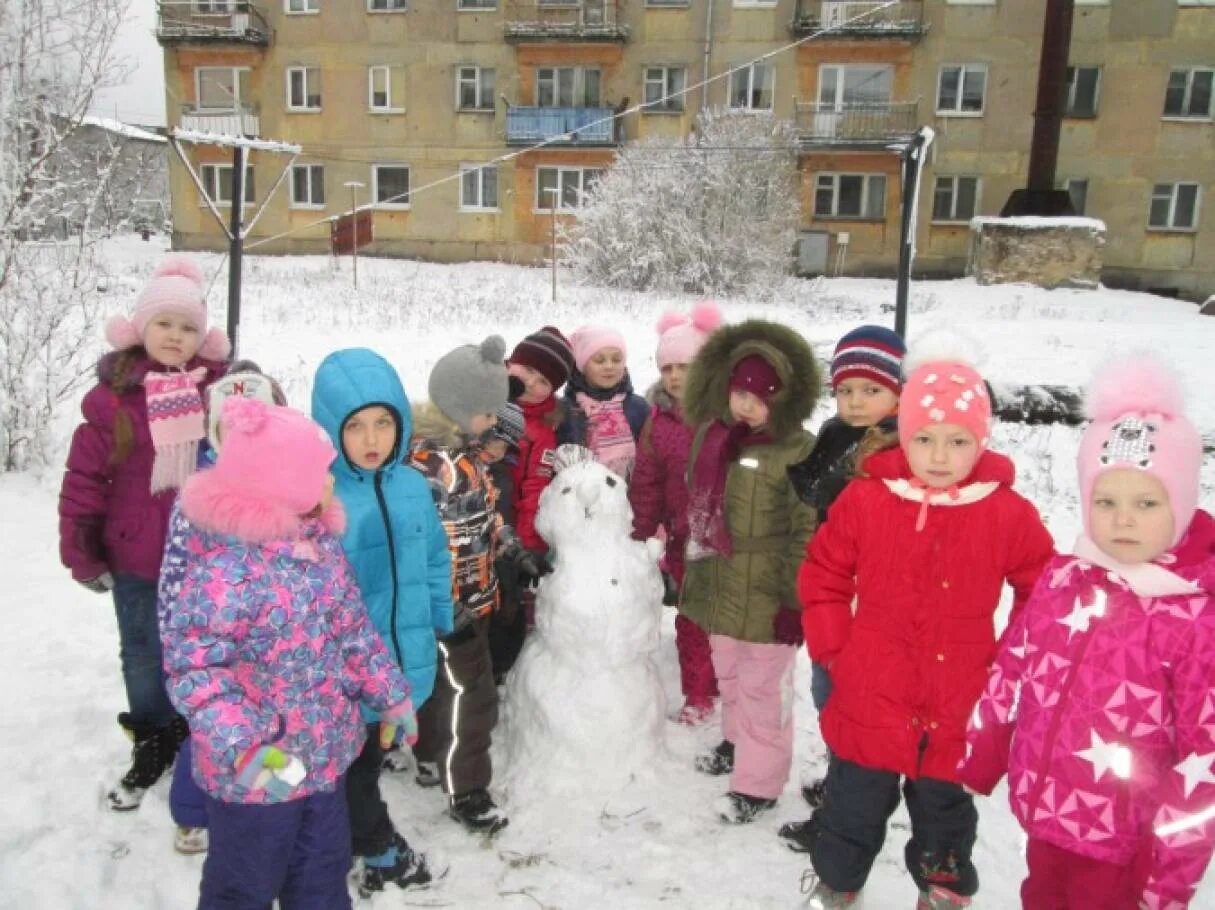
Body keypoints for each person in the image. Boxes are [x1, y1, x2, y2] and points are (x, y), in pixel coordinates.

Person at [798, 338, 1055, 910]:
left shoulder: (1006, 511)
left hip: (957, 697)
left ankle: (942, 890)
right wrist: (836, 652)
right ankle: (837, 886)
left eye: (958, 441)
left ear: (981, 441)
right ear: (902, 433)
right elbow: (824, 575)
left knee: (945, 811)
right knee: (852, 804)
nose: (939, 456)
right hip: (870, 688)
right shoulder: (867, 501)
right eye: (924, 439)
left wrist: (1009, 665)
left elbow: (1043, 589)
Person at [959, 355, 1214, 910]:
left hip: (1123, 848)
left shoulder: (1194, 617)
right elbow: (1011, 667)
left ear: (1184, 503)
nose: (1123, 520)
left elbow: (1205, 761)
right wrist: (983, 752)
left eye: (1147, 503)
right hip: (1046, 817)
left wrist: (1167, 877)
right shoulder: (1064, 577)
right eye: (1106, 501)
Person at [160, 396, 415, 910]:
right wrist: (246, 748)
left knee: (322, 874)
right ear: (276, 485)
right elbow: (195, 672)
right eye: (317, 475)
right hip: (256, 769)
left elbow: (354, 633)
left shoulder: (320, 548)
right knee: (245, 881)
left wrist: (392, 697)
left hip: (324, 757)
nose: (329, 483)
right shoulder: (223, 574)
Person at [58, 254, 229, 811]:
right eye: (165, 324)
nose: (176, 337)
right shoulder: (114, 400)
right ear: (140, 328)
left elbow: (249, 455)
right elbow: (84, 478)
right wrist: (82, 548)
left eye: (188, 327)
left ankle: (200, 721)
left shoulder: (217, 393)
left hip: (204, 555)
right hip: (135, 555)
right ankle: (155, 732)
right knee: (142, 651)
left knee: (205, 648)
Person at [311, 348, 453, 895]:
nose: (372, 439)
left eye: (384, 422)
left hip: (405, 651)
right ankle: (377, 848)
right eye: (355, 426)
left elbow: (436, 557)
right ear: (330, 428)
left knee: (370, 753)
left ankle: (350, 832)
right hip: (345, 670)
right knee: (356, 766)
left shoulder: (412, 485)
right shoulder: (322, 498)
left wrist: (440, 614)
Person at [680, 319, 819, 824]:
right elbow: (698, 509)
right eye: (740, 391)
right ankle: (738, 742)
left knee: (764, 691)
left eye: (760, 396)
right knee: (730, 673)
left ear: (781, 401)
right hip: (720, 582)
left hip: (767, 593)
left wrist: (794, 601)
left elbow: (808, 531)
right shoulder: (715, 439)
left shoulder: (798, 451)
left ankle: (758, 785)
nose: (746, 404)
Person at [409, 336, 543, 835]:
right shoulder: (431, 469)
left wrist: (511, 548)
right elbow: (416, 545)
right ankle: (467, 789)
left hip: (475, 601)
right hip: (450, 608)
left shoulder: (470, 461)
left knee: (445, 692)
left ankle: (428, 757)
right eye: (489, 413)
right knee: (477, 698)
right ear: (463, 410)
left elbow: (484, 519)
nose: (495, 423)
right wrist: (445, 605)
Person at [780, 324, 905, 840]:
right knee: (826, 692)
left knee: (853, 705)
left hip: (875, 604)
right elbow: (813, 491)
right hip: (835, 593)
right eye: (846, 390)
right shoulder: (836, 435)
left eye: (871, 390)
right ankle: (839, 777)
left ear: (900, 392)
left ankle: (841, 817)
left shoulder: (904, 451)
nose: (856, 402)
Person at [161, 361, 287, 855]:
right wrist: (178, 644)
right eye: (231, 431)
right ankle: (192, 812)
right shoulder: (196, 499)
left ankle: (269, 792)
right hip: (213, 646)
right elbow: (173, 579)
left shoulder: (292, 492)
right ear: (213, 433)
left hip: (273, 641)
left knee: (271, 725)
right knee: (214, 728)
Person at [628, 302, 723, 725]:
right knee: (692, 619)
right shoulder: (657, 422)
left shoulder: (729, 417)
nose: (676, 377)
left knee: (730, 618)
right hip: (685, 539)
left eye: (686, 366)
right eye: (668, 369)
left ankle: (730, 681)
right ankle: (699, 692)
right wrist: (641, 532)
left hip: (731, 538)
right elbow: (646, 483)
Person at [557, 325, 649, 480]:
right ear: (582, 366)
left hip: (632, 496)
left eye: (617, 359)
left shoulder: (639, 408)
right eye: (599, 360)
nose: (609, 366)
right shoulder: (565, 410)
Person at [482, 402, 530, 684]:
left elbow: (504, 516)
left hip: (500, 557)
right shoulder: (457, 472)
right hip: (469, 564)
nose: (498, 450)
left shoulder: (500, 474)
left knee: (508, 615)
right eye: (494, 440)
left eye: (505, 446)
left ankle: (499, 673)